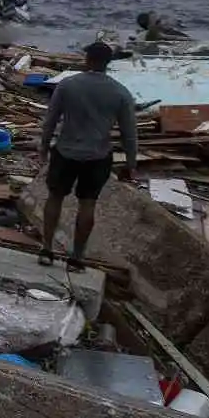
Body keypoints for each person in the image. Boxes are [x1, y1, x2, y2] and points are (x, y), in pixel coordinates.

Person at [37, 42, 137, 271]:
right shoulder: (120, 92)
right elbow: (129, 133)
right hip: (98, 156)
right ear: (108, 63)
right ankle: (77, 258)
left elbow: (50, 120)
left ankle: (46, 249)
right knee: (87, 204)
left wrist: (43, 147)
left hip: (65, 151)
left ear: (87, 59)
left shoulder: (68, 85)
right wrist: (132, 163)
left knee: (55, 198)